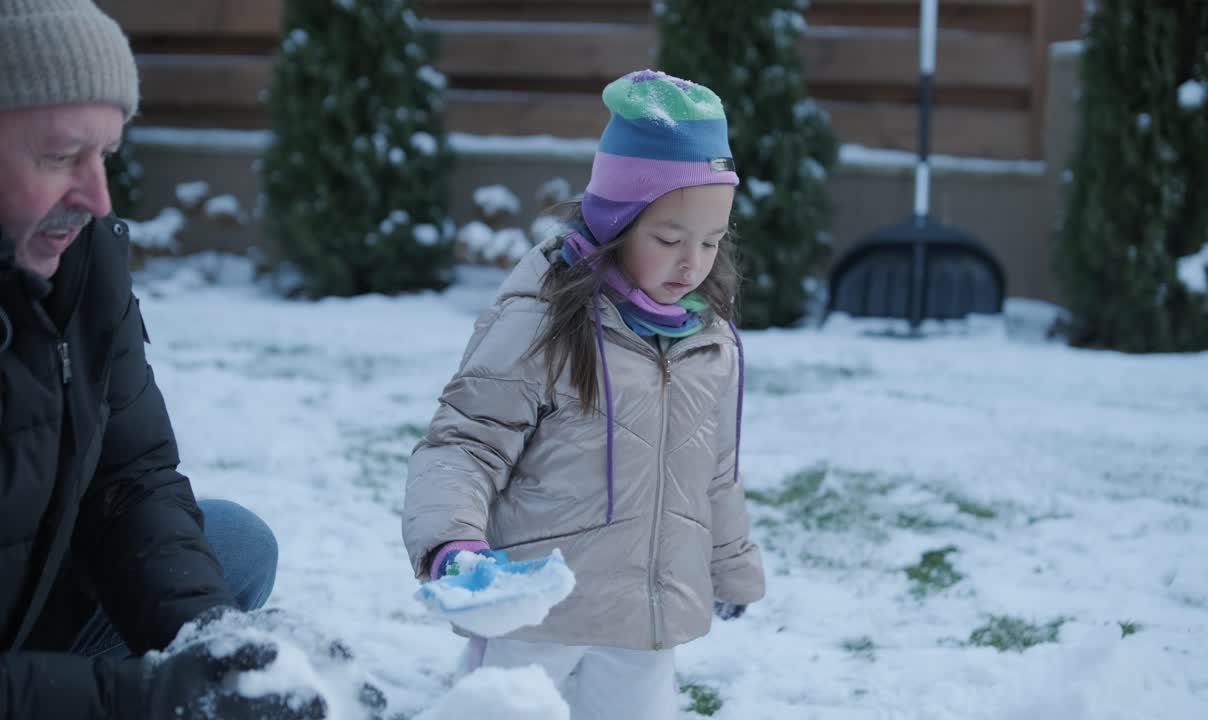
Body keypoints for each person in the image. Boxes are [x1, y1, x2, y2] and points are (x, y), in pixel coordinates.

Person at [0, 1, 372, 717]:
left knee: (230, 546)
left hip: (28, 616)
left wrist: (215, 641)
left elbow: (131, 476)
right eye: (59, 156)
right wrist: (144, 700)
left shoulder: (81, 265)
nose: (97, 196)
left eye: (103, 154)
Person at [403, 69, 766, 719]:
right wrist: (451, 545)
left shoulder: (708, 342)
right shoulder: (543, 320)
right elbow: (465, 443)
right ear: (617, 222)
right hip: (535, 618)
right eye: (669, 239)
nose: (693, 264)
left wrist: (731, 567)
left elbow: (715, 472)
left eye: (712, 242)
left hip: (643, 624)